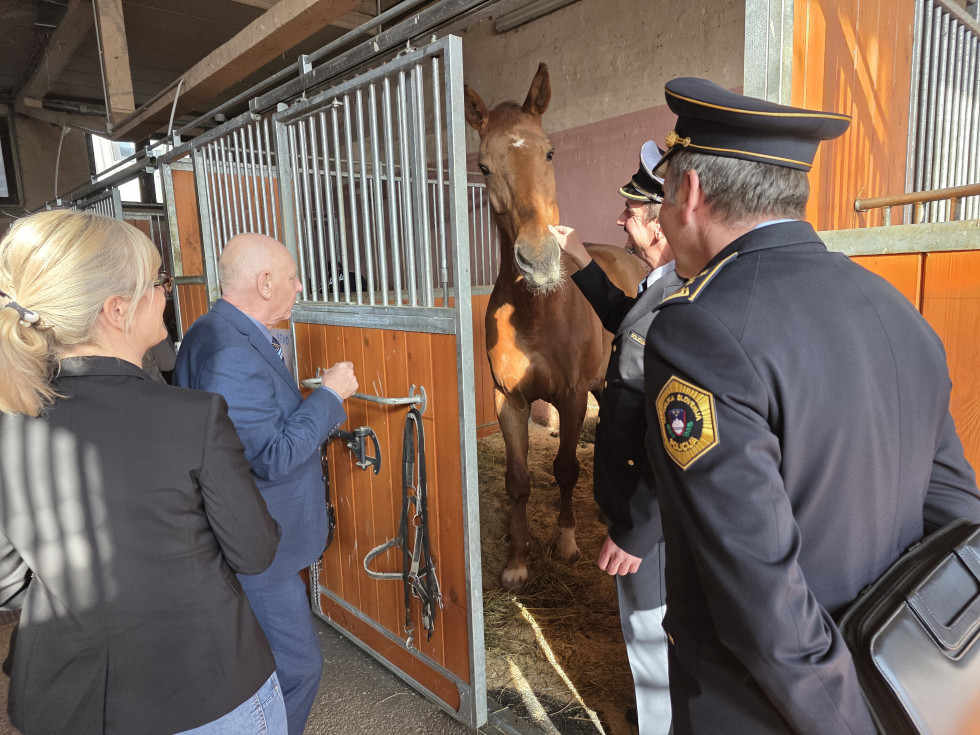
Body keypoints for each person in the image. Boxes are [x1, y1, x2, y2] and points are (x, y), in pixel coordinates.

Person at [640, 77, 980, 734]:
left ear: (691, 194)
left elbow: (762, 602)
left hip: (769, 715)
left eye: (662, 194)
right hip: (904, 695)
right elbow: (960, 524)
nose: (658, 216)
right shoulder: (898, 312)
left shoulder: (699, 331)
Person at [0, 210, 285, 734]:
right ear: (117, 309)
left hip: (63, 700)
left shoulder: (10, 421)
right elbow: (254, 550)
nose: (166, 294)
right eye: (158, 282)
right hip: (203, 688)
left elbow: (6, 582)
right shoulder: (193, 417)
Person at [173, 232, 358, 735]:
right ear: (265, 282)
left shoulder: (211, 330)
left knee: (258, 659)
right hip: (260, 543)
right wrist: (330, 396)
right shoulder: (231, 353)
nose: (299, 287)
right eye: (292, 277)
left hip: (240, 533)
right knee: (299, 669)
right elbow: (271, 456)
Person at [551, 156, 680, 735]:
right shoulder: (659, 286)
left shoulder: (682, 296)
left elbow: (676, 437)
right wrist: (577, 256)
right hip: (633, 505)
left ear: (658, 224)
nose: (622, 222)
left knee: (651, 626)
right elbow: (624, 317)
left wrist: (637, 526)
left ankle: (658, 723)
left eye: (630, 213)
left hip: (649, 519)